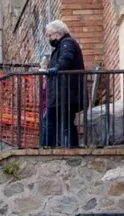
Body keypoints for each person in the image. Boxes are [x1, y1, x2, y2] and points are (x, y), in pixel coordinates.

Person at [43, 20, 85, 148]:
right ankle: (64, 147)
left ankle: (49, 148)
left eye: (50, 35)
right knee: (64, 122)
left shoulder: (67, 43)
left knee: (53, 121)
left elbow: (66, 58)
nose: (49, 39)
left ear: (59, 33)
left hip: (65, 94)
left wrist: (56, 68)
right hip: (63, 94)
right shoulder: (63, 45)